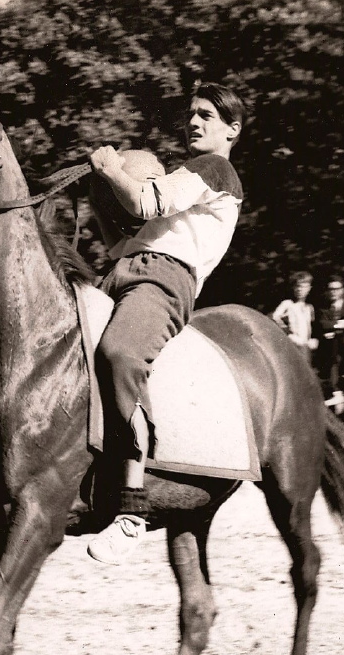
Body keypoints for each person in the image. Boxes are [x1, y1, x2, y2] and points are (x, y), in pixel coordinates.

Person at [83, 81, 245, 563]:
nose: (192, 122)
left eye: (206, 116)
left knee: (120, 355)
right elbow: (121, 243)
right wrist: (98, 195)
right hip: (123, 270)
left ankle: (132, 509)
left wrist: (113, 170)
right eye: (191, 114)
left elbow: (144, 204)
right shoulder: (187, 176)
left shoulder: (214, 169)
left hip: (163, 281)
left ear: (232, 130)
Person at [316, 277, 344, 387]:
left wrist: (337, 330)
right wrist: (341, 323)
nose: (333, 292)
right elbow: (323, 324)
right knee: (334, 381)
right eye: (330, 289)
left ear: (342, 290)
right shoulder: (324, 307)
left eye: (336, 289)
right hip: (331, 351)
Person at [271, 271, 318, 362]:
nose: (300, 289)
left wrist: (312, 339)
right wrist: (289, 334)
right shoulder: (287, 304)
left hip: (305, 346)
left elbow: (312, 326)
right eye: (297, 286)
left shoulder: (309, 307)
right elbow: (274, 319)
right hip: (292, 344)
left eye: (304, 287)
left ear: (309, 288)